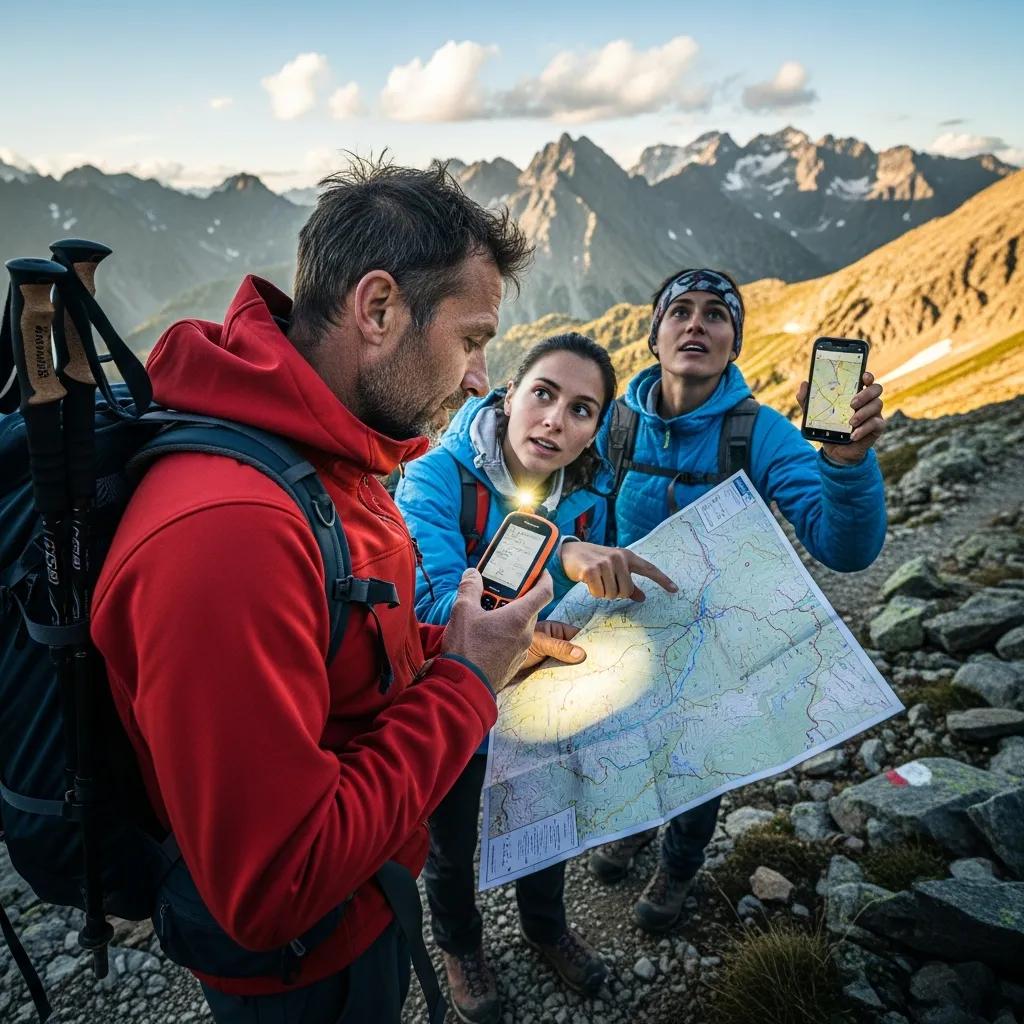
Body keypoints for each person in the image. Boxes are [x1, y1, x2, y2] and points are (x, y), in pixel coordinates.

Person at [90, 161, 590, 1024]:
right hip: (302, 972)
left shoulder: (338, 453)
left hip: (369, 908)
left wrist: (465, 653)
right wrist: (467, 685)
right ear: (380, 308)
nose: (480, 379)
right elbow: (274, 883)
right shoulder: (228, 536)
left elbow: (347, 668)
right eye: (472, 339)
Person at [588, 267, 887, 932]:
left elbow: (845, 548)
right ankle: (636, 825)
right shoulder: (612, 425)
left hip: (716, 639)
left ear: (734, 343)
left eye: (715, 315)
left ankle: (679, 863)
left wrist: (846, 464)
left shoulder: (761, 432)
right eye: (681, 312)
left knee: (700, 756)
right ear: (655, 335)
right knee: (635, 741)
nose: (696, 323)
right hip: (629, 634)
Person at [395, 333, 676, 1023]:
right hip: (456, 706)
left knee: (546, 825)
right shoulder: (436, 475)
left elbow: (586, 605)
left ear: (594, 431)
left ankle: (546, 928)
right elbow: (439, 615)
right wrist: (563, 553)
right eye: (544, 394)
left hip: (544, 701)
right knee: (452, 847)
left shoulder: (589, 491)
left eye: (583, 410)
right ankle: (461, 947)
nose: (555, 419)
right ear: (510, 393)